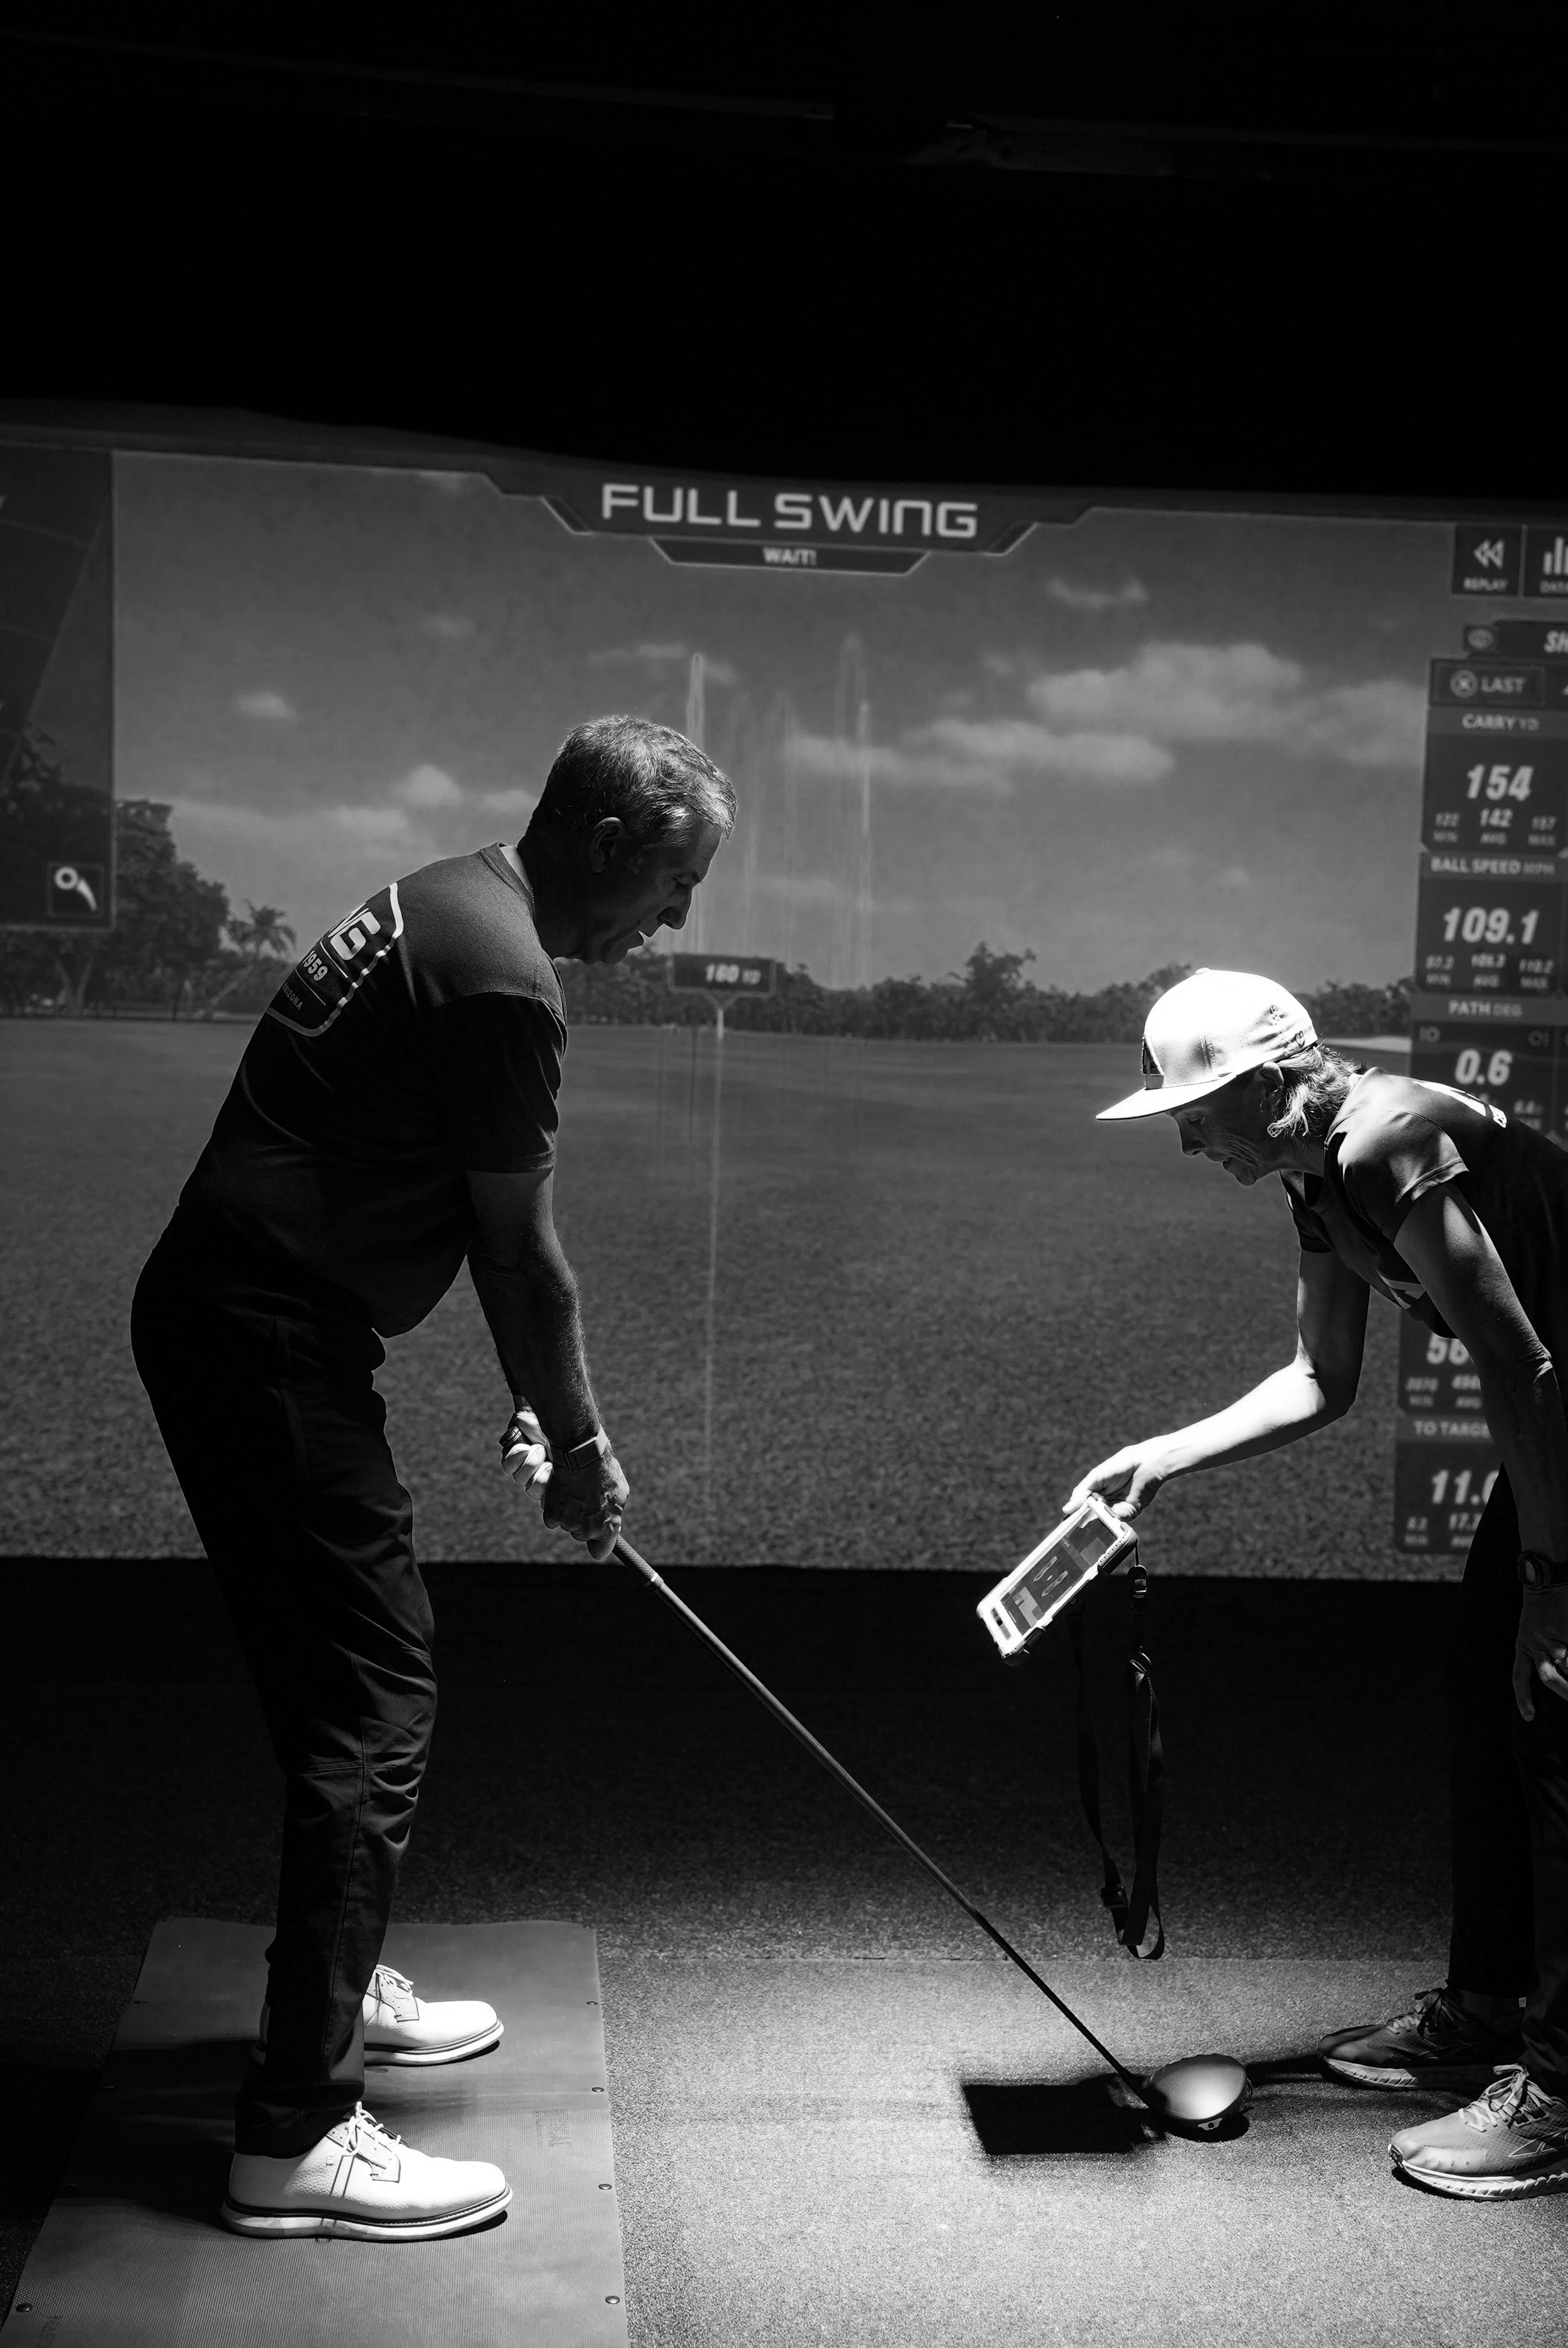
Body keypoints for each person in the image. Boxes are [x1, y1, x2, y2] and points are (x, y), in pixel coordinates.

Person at [131, 715, 733, 2241]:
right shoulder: (500, 972)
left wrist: (538, 1412)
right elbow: (523, 1258)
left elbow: (435, 1202)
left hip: (245, 1316)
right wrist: (584, 1448)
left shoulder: (451, 896)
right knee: (375, 1694)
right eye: (675, 880)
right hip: (263, 1332)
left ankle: (339, 1972)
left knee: (328, 1685)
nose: (677, 918)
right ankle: (295, 2131)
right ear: (605, 841)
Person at [1069, 967, 1568, 2200]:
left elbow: (1518, 1364)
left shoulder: (1383, 1138)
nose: (1185, 1137)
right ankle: (1486, 2006)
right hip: (1560, 1417)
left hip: (1560, 1409)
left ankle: (1558, 2090)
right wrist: (1160, 1456)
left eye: (1196, 1108)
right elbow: (1319, 1376)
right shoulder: (1314, 1179)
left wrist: (1554, 1583)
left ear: (1268, 1082)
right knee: (1478, 1677)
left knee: (1555, 1712)